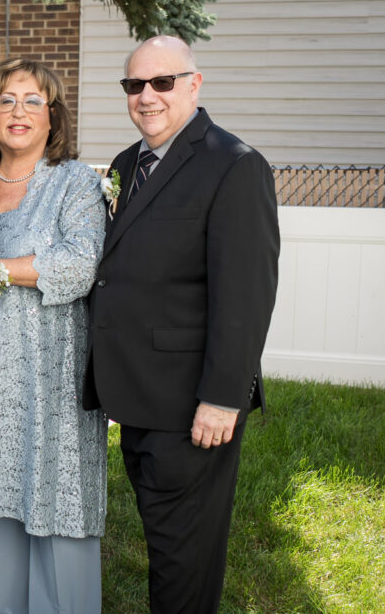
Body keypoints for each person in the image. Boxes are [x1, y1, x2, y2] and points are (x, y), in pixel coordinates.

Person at [84, 35, 280, 613]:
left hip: (194, 404)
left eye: (162, 82)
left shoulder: (234, 165)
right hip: (140, 395)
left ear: (194, 84)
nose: (147, 97)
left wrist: (223, 398)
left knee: (183, 559)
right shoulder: (126, 164)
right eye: (134, 85)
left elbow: (245, 297)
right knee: (164, 541)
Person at [0, 58, 108, 613]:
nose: (18, 111)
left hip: (50, 372)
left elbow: (79, 266)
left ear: (53, 116)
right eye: (5, 100)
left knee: (57, 506)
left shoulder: (75, 183)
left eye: (33, 100)